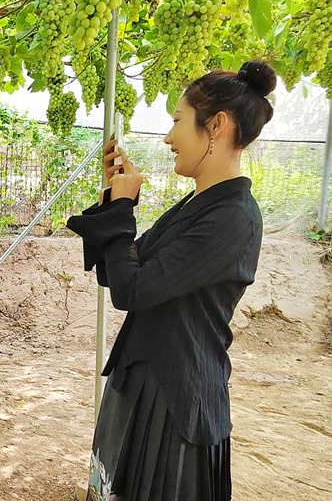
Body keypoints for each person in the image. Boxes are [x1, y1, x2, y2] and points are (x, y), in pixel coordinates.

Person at [66, 60, 276, 501]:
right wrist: (116, 198)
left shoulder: (233, 217)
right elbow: (120, 272)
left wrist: (122, 212)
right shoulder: (197, 205)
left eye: (178, 120)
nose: (167, 137)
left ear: (216, 125)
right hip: (144, 379)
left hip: (174, 398)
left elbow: (133, 290)